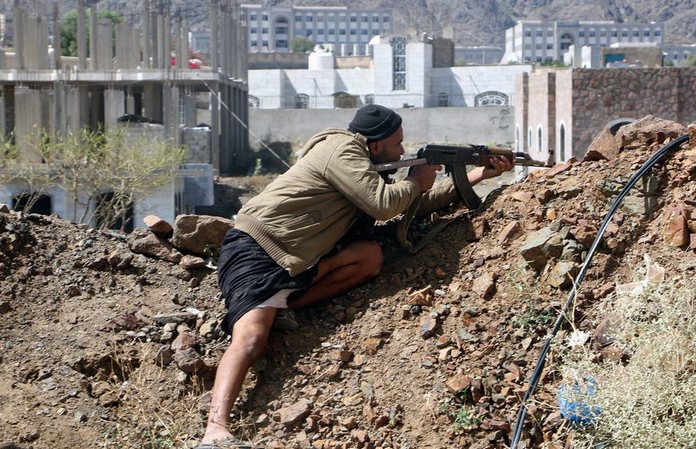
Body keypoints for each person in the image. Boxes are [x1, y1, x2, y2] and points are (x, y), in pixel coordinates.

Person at [197, 104, 513, 448]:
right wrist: (415, 182)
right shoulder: (342, 149)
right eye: (398, 144)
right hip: (258, 248)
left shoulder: (367, 167)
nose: (403, 151)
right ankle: (215, 429)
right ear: (376, 146)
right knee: (251, 340)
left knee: (369, 257)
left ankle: (285, 309)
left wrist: (477, 176)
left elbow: (411, 204)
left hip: (298, 258)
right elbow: (383, 205)